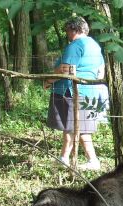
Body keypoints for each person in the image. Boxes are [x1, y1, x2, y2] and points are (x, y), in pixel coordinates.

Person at [45, 16, 105, 171]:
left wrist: (49, 80)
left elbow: (66, 69)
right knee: (82, 128)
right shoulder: (95, 45)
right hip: (90, 91)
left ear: (73, 29)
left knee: (70, 127)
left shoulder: (76, 45)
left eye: (67, 30)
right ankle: (91, 160)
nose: (66, 34)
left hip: (71, 91)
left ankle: (64, 160)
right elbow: (100, 72)